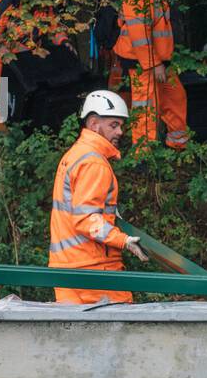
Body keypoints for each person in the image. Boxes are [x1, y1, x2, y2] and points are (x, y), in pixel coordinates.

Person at [49, 90, 147, 304]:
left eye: (121, 125)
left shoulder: (75, 155)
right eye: (114, 125)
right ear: (94, 124)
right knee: (119, 333)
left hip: (68, 267)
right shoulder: (94, 163)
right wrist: (124, 240)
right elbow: (86, 219)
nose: (120, 131)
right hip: (93, 270)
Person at [112, 0, 189, 149]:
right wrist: (154, 64)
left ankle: (177, 145)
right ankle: (143, 155)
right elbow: (140, 36)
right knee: (145, 106)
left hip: (158, 61)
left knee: (174, 97)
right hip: (142, 62)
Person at [0, 0, 72, 125]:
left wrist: (64, 41)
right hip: (2, 61)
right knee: (0, 105)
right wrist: (3, 50)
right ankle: (1, 136)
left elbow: (55, 28)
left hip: (31, 60)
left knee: (31, 99)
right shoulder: (9, 0)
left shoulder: (46, 3)